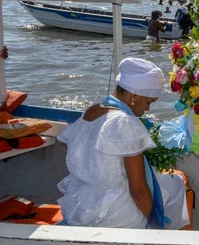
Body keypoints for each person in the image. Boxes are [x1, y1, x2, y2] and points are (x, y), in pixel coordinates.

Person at [56, 58, 189, 229]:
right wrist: (156, 226)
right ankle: (165, 243)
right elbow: (138, 190)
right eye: (148, 102)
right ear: (134, 96)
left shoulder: (91, 111)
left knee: (168, 182)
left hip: (82, 204)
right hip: (115, 212)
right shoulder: (126, 123)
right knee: (175, 183)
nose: (147, 109)